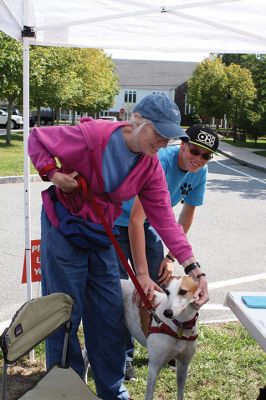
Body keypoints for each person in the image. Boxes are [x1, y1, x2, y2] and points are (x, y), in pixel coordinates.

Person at [28, 94, 207, 400]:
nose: (164, 143)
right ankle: (65, 390)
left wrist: (193, 267)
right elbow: (36, 138)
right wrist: (53, 173)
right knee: (65, 312)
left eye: (169, 137)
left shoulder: (149, 167)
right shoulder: (91, 136)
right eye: (160, 134)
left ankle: (111, 390)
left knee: (108, 311)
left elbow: (164, 217)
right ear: (137, 121)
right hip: (65, 228)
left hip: (100, 233)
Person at [115, 124, 219, 380]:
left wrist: (171, 257)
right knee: (120, 293)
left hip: (148, 223)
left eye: (206, 156)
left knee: (159, 288)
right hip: (116, 221)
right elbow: (134, 221)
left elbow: (185, 215)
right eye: (195, 150)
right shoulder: (160, 162)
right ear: (182, 145)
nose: (199, 159)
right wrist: (140, 273)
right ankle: (122, 357)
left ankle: (167, 345)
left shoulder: (198, 172)